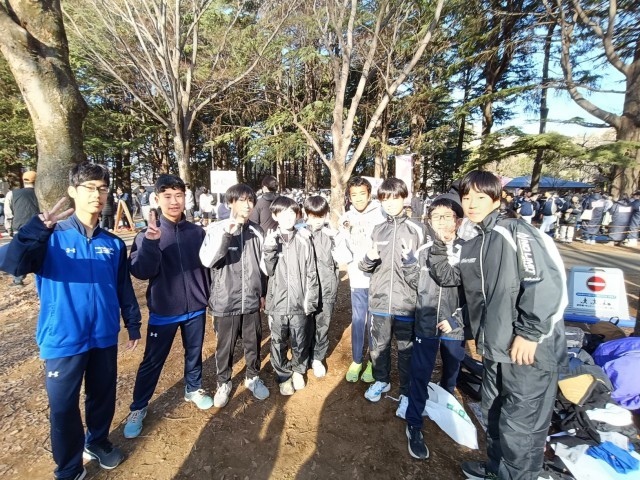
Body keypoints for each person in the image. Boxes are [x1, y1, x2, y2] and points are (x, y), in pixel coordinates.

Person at [0, 162, 142, 480]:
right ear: (72, 191)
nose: (97, 194)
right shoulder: (50, 237)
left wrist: (132, 322)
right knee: (63, 408)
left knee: (102, 396)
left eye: (102, 188)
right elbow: (12, 264)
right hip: (63, 338)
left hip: (103, 335)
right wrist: (35, 230)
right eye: (89, 187)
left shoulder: (113, 243)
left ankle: (98, 441)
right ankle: (69, 468)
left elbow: (123, 287)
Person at [428, 170, 567, 480]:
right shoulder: (474, 244)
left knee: (521, 429)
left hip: (528, 353)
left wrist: (529, 333)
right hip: (496, 349)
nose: (472, 203)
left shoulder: (515, 232)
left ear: (496, 198)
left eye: (480, 197)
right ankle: (495, 470)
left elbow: (543, 283)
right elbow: (460, 284)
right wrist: (439, 243)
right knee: (493, 413)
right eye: (466, 198)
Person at [124, 174, 213, 439]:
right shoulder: (147, 235)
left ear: (186, 198)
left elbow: (208, 268)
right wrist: (151, 242)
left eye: (179, 195)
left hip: (195, 307)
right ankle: (138, 407)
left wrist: (208, 297)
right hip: (164, 310)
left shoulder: (197, 233)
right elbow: (141, 271)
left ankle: (193, 388)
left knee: (194, 352)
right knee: (153, 361)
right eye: (167, 196)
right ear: (157, 199)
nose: (174, 201)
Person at [401, 195, 467, 460]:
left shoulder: (469, 252)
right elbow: (416, 284)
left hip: (455, 327)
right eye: (435, 216)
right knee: (420, 373)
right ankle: (414, 423)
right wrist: (408, 265)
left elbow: (475, 295)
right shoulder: (424, 250)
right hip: (426, 323)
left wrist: (456, 319)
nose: (441, 222)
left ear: (458, 221)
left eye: (447, 216)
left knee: (451, 371)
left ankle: (446, 404)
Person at [359, 178, 428, 412]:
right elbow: (364, 266)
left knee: (407, 350)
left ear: (404, 198)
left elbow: (424, 270)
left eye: (394, 198)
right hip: (379, 301)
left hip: (407, 303)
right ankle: (382, 380)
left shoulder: (417, 230)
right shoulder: (377, 229)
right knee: (379, 346)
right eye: (384, 199)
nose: (389, 203)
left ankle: (406, 391)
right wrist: (368, 259)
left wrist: (412, 264)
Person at [199, 184, 270, 408]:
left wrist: (263, 292)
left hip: (251, 300)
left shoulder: (257, 231)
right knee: (225, 346)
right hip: (225, 300)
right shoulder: (216, 228)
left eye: (250, 200)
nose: (247, 205)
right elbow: (208, 260)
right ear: (231, 202)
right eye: (241, 200)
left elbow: (263, 266)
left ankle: (252, 377)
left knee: (253, 342)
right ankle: (223, 382)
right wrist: (227, 236)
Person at [262, 196, 319, 395]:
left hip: (299, 303)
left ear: (297, 215)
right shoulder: (271, 239)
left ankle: (298, 370)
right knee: (278, 342)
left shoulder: (304, 239)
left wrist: (310, 301)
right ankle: (283, 376)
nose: (288, 217)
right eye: (283, 213)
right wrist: (269, 249)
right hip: (277, 304)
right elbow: (268, 270)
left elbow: (311, 271)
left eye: (292, 213)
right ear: (274, 215)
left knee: (300, 339)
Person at [336, 177, 386, 383]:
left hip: (379, 280)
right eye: (353, 195)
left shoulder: (382, 214)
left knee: (375, 323)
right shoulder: (345, 218)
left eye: (362, 194)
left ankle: (373, 362)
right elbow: (342, 253)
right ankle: (357, 360)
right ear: (349, 197)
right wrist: (343, 232)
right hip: (357, 280)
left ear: (369, 194)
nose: (358, 199)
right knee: (358, 321)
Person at [302, 195, 344, 378]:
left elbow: (343, 258)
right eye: (313, 216)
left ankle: (318, 358)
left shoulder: (331, 235)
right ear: (306, 214)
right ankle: (303, 357)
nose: (317, 220)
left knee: (322, 324)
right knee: (304, 325)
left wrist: (339, 237)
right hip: (305, 291)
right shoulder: (300, 233)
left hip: (326, 288)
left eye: (321, 216)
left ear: (326, 214)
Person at [5, 171, 40, 286]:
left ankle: (18, 280)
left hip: (20, 228)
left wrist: (9, 228)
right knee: (41, 254)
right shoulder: (40, 194)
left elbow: (8, 214)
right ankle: (40, 280)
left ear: (23, 180)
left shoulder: (12, 194)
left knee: (19, 255)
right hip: (38, 227)